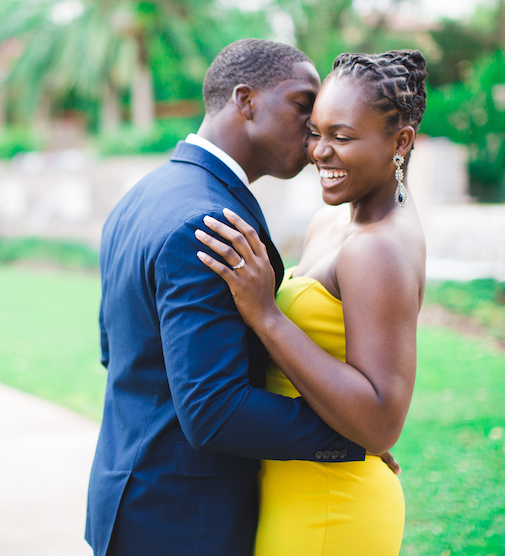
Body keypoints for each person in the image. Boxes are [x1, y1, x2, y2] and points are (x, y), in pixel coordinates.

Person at [85, 39, 369, 556]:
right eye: (303, 106)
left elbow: (117, 352)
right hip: (182, 523)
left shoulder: (142, 195)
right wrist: (353, 435)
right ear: (246, 100)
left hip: (128, 501)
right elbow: (215, 410)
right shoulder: (210, 222)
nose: (314, 128)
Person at [197, 50, 428, 555]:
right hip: (294, 487)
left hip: (331, 506)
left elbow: (381, 421)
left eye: (341, 137)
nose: (319, 152)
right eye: (316, 132)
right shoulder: (334, 221)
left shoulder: (378, 248)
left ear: (400, 142)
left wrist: (267, 315)